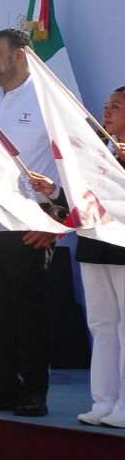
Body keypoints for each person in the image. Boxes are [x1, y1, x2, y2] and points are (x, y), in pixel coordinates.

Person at [0, 28, 63, 417]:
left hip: (30, 222)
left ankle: (34, 390)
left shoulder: (50, 100)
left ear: (20, 55)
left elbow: (73, 163)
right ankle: (2, 385)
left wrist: (57, 216)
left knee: (29, 308)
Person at [76, 85, 125, 427]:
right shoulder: (96, 150)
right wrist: (54, 190)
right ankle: (103, 401)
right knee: (101, 324)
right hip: (94, 242)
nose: (106, 112)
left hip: (122, 245)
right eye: (106, 105)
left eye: (116, 106)